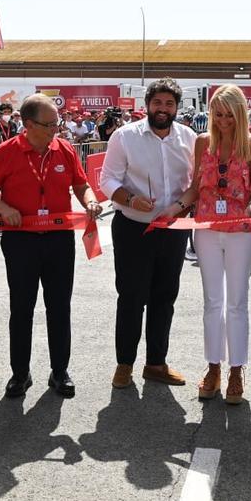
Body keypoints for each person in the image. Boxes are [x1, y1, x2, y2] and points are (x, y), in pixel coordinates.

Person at [0, 94, 103, 398]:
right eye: (50, 124)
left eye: (57, 122)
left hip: (59, 240)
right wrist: (3, 208)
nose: (56, 129)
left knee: (59, 307)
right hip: (20, 240)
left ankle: (59, 372)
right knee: (21, 308)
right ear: (29, 124)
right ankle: (20, 374)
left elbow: (81, 183)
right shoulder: (8, 151)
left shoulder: (64, 148)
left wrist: (90, 201)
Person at [100, 78, 195, 389]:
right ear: (147, 106)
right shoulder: (125, 137)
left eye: (169, 104)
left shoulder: (189, 138)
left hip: (174, 228)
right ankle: (124, 364)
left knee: (164, 297)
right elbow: (108, 180)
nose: (163, 109)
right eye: (158, 103)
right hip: (132, 228)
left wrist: (181, 206)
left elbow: (197, 184)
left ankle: (156, 363)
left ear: (177, 108)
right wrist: (130, 199)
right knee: (131, 297)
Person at [180, 85, 251, 405]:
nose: (223, 120)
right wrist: (175, 208)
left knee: (237, 303)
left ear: (240, 114)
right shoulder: (203, 143)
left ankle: (236, 370)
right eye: (218, 114)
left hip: (241, 230)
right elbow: (193, 188)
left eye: (230, 114)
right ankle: (213, 367)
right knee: (212, 302)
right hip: (205, 229)